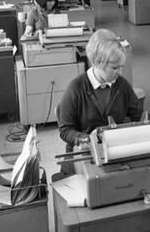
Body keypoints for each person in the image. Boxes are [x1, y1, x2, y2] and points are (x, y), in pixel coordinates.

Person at [57, 29, 142, 161]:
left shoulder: (122, 85)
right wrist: (84, 139)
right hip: (83, 156)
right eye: (114, 68)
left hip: (113, 152)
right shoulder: (76, 89)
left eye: (122, 66)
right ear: (97, 62)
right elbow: (65, 130)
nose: (119, 72)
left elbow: (137, 115)